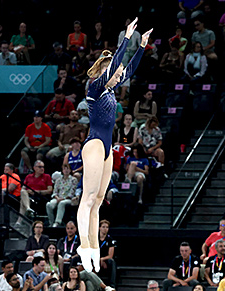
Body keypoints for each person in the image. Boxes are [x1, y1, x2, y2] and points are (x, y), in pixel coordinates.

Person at [76, 17, 152, 272]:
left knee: (99, 200)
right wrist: (127, 38)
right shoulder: (95, 87)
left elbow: (128, 69)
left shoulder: (109, 90)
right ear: (106, 72)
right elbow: (118, 64)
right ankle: (84, 245)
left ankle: (95, 249)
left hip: (107, 148)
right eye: (115, 73)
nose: (120, 77)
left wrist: (141, 46)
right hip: (95, 144)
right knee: (87, 198)